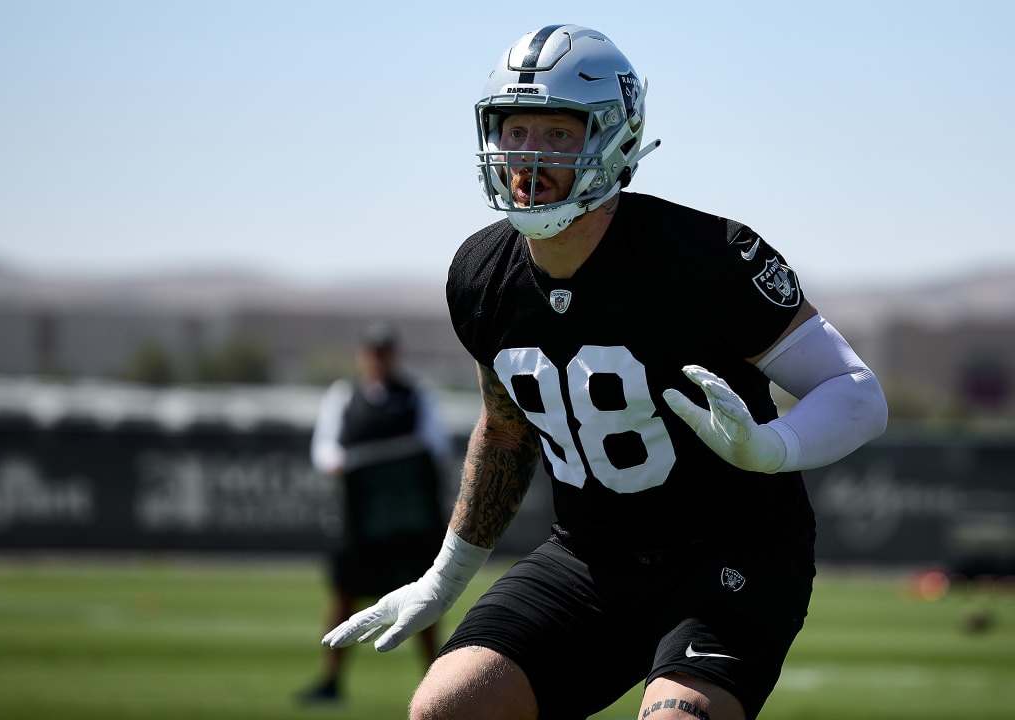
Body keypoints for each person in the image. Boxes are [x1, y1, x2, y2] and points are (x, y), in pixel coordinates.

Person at [323, 24, 888, 720]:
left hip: (729, 551)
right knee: (444, 709)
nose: (529, 155)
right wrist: (444, 579)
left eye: (558, 134)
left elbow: (857, 392)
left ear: (614, 139)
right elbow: (504, 432)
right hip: (590, 558)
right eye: (514, 128)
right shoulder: (481, 275)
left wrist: (774, 449)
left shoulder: (706, 257)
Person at [301, 320, 454, 704]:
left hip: (410, 525)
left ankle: (438, 689)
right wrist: (346, 464)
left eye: (385, 351)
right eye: (373, 351)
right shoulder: (343, 396)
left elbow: (435, 447)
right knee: (344, 596)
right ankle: (331, 682)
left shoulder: (417, 397)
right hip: (362, 524)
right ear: (362, 355)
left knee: (424, 599)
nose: (379, 359)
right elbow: (324, 450)